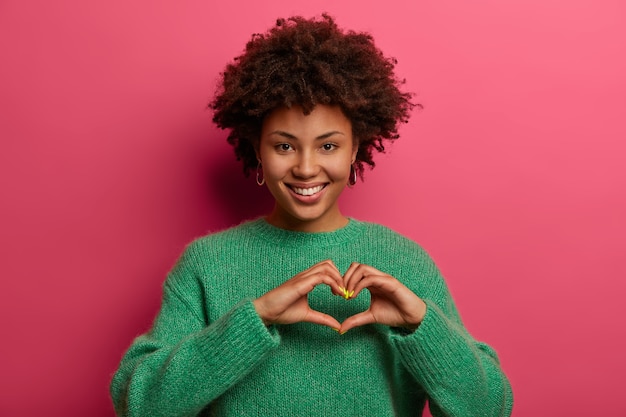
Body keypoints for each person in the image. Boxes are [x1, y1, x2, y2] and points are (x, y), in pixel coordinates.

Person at [110, 14, 513, 417]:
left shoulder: (406, 262)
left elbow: (489, 409)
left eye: (328, 146)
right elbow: (140, 404)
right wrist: (254, 320)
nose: (305, 168)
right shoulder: (207, 265)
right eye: (284, 146)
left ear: (355, 148)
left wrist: (421, 327)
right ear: (257, 149)